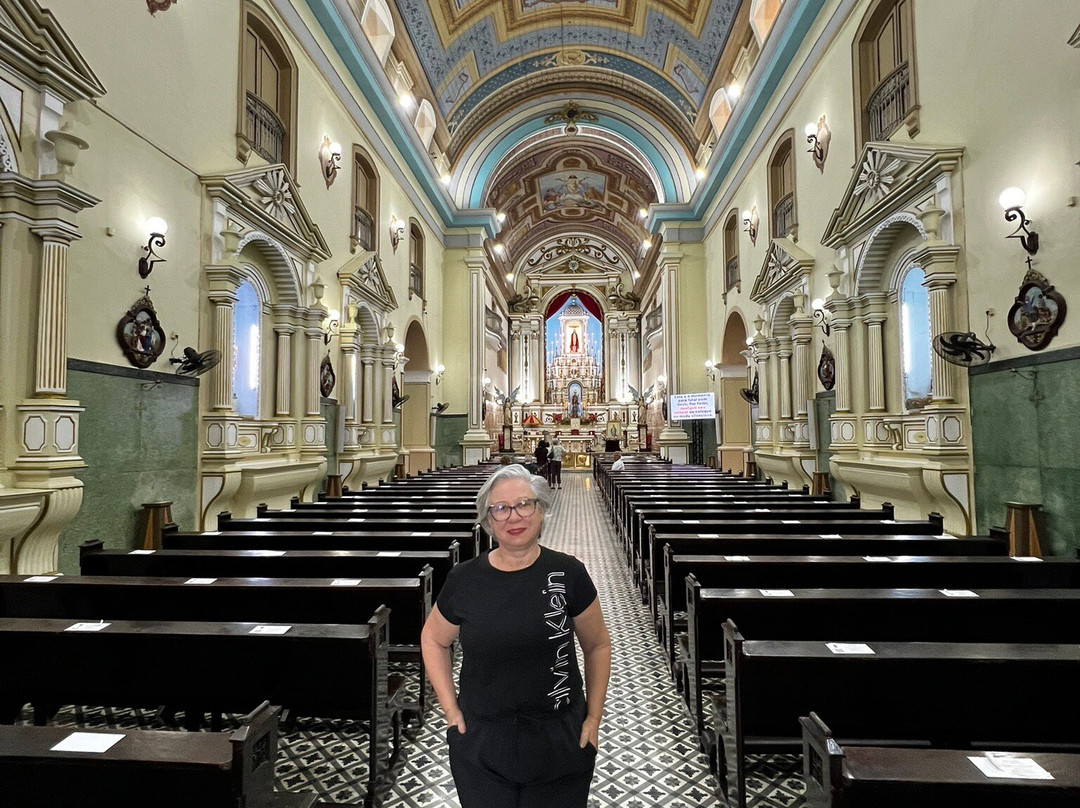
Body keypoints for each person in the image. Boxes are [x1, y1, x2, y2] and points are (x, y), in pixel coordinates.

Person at [421, 465, 611, 808]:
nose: (514, 516)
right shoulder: (464, 579)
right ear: (488, 520)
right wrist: (450, 710)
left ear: (541, 511)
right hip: (482, 738)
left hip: (559, 735)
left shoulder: (569, 572)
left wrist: (594, 719)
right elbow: (434, 639)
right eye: (501, 508)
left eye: (525, 504)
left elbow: (597, 645)